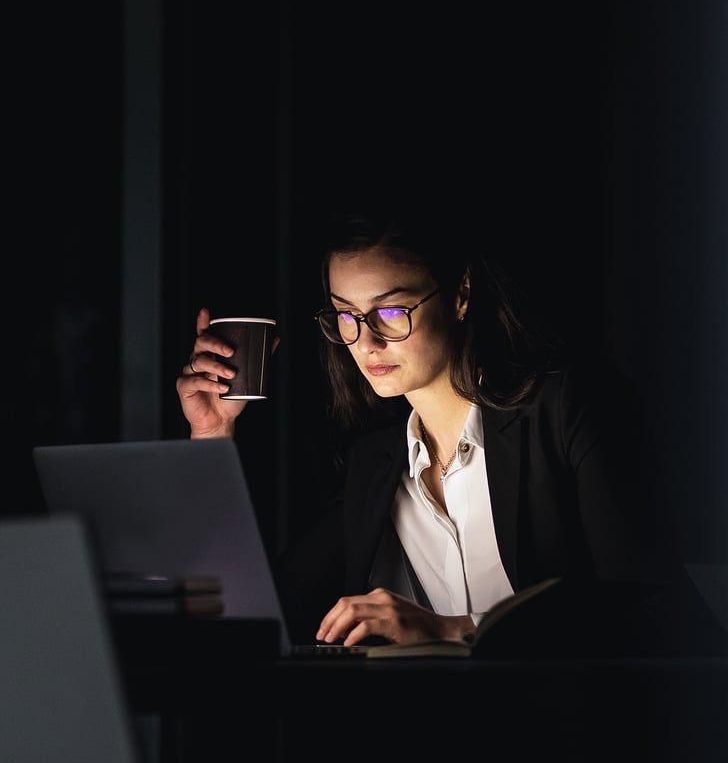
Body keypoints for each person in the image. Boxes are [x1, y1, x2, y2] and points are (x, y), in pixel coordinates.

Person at [176, 204, 674, 653]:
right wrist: (212, 436)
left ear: (460, 295)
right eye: (345, 315)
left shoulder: (565, 410)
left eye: (391, 311)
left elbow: (649, 608)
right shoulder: (375, 465)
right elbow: (256, 611)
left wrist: (451, 629)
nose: (365, 342)